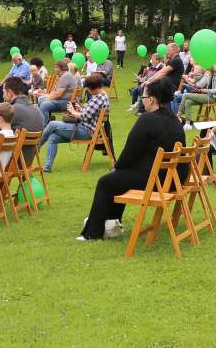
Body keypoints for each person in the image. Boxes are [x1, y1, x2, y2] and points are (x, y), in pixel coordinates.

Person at [76, 77, 186, 242]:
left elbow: (129, 153)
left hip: (156, 180)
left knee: (106, 182)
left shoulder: (147, 119)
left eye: (143, 98)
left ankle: (93, 232)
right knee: (118, 179)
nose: (142, 101)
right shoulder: (175, 120)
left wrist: (117, 168)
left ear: (152, 99)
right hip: (174, 178)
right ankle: (112, 224)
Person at [41, 74, 109, 171]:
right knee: (53, 138)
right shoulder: (102, 96)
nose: (88, 91)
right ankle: (47, 168)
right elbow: (89, 113)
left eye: (88, 88)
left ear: (93, 88)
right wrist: (79, 109)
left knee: (52, 124)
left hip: (86, 131)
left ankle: (36, 146)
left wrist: (73, 112)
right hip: (87, 129)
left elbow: (85, 117)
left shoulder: (98, 99)